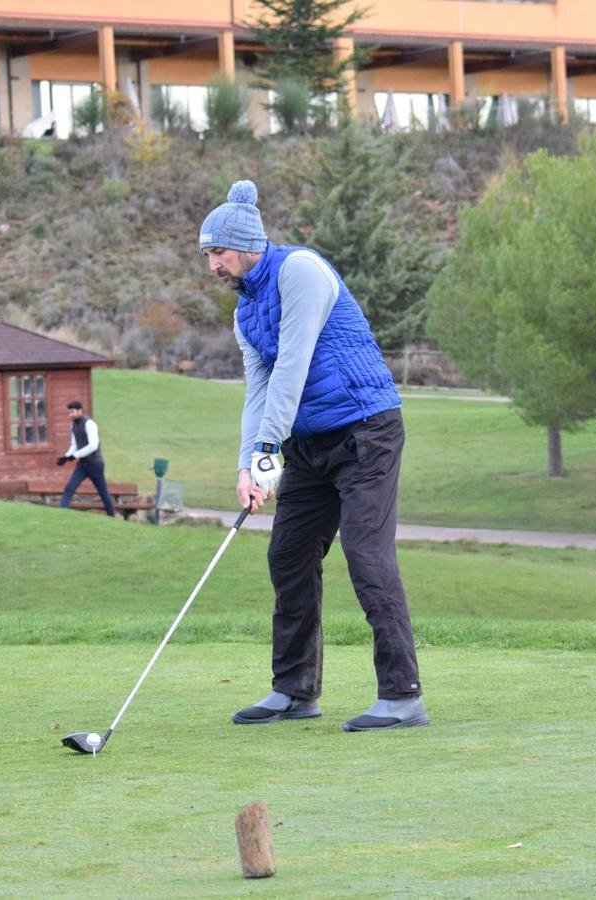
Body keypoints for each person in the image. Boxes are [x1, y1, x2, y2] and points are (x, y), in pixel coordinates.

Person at [200, 179, 428, 733]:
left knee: (367, 555)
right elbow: (258, 390)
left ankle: (402, 697)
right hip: (308, 444)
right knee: (289, 554)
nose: (212, 265)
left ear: (248, 245)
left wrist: (268, 451)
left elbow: (293, 365)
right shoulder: (244, 313)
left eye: (219, 253)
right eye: (207, 255)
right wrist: (249, 465)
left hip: (365, 431)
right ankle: (295, 690)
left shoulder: (300, 271)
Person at [56, 400, 115, 516]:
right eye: (69, 412)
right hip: (82, 465)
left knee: (103, 493)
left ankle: (111, 516)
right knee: (69, 488)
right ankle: (61, 515)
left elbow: (93, 445)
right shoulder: (73, 425)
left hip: (95, 464)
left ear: (80, 411)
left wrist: (75, 455)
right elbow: (74, 444)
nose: (70, 415)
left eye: (72, 412)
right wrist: (66, 457)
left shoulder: (90, 424)